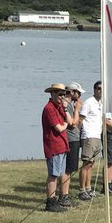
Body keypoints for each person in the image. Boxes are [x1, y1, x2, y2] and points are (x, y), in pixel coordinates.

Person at [41, 82, 74, 211]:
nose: (62, 97)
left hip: (62, 145)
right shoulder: (49, 108)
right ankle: (50, 202)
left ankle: (56, 201)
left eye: (64, 94)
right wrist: (65, 123)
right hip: (54, 146)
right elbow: (60, 128)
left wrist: (66, 109)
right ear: (52, 93)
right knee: (53, 175)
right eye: (60, 94)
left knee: (59, 173)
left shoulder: (60, 106)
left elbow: (71, 122)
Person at [78, 80, 105, 200]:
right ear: (94, 90)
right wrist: (81, 134)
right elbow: (80, 120)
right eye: (98, 88)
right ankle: (82, 190)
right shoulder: (89, 102)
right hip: (89, 135)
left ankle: (88, 188)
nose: (100, 91)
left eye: (102, 89)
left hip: (97, 136)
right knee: (86, 163)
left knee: (91, 164)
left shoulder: (101, 103)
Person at [64, 82, 84, 195]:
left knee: (70, 169)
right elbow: (73, 123)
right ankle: (64, 194)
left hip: (74, 138)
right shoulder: (67, 104)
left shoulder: (70, 104)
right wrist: (77, 110)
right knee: (69, 168)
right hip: (71, 139)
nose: (80, 95)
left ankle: (65, 193)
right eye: (78, 92)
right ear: (72, 92)